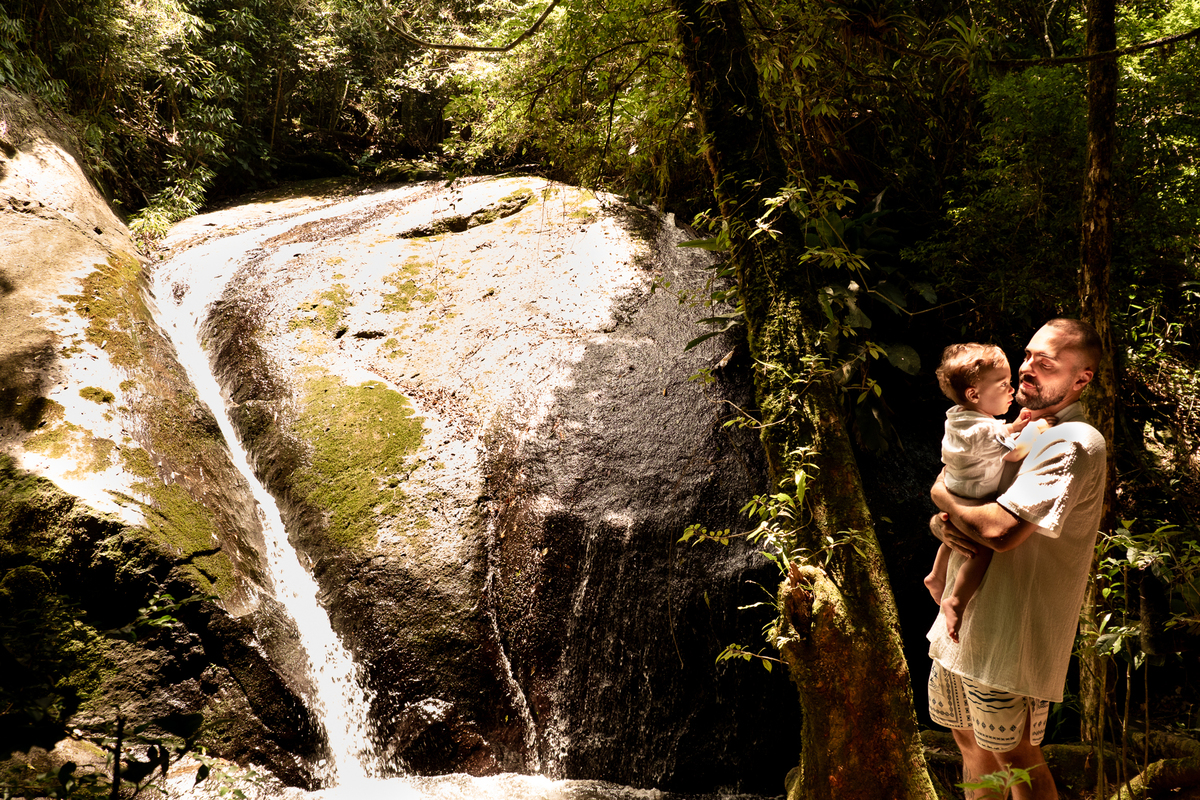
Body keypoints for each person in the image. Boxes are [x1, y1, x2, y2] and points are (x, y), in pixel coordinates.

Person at [927, 319, 1107, 800]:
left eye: (1045, 363)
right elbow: (970, 497)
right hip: (961, 628)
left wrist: (941, 496)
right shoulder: (1009, 427)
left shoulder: (1072, 440)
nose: (1027, 368)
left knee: (1017, 759)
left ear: (1081, 378)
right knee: (969, 746)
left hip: (1011, 636)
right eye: (1027, 356)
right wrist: (942, 521)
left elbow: (999, 530)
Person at [924, 343, 1054, 644]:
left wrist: (1013, 426)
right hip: (974, 496)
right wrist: (1036, 429)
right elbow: (1015, 452)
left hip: (956, 485)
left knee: (953, 533)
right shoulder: (984, 430)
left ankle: (936, 574)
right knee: (978, 549)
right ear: (974, 395)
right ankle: (956, 600)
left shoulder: (959, 416)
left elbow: (992, 432)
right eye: (1003, 384)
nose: (1012, 389)